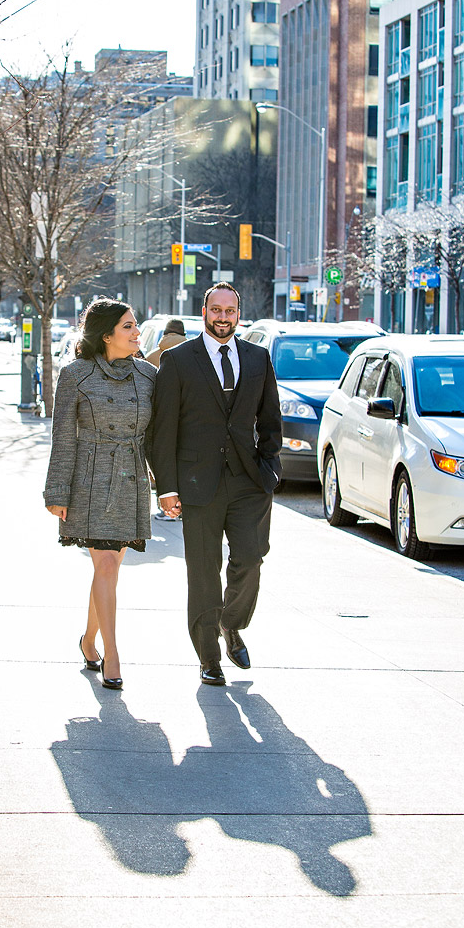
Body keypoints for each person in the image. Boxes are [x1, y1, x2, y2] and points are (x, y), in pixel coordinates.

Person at [151, 284, 282, 686]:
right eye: (216, 310)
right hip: (196, 483)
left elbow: (270, 420)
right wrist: (166, 487)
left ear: (238, 314)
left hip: (248, 481)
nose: (223, 317)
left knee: (251, 557)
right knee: (203, 572)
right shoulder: (177, 360)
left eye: (230, 311)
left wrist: (270, 469)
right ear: (204, 311)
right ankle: (209, 657)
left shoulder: (258, 358)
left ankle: (231, 622)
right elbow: (163, 429)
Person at [44, 299, 156, 690]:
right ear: (106, 335)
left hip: (130, 478)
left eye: (135, 325)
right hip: (89, 480)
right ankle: (113, 654)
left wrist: (169, 485)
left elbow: (159, 436)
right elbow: (62, 437)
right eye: (128, 326)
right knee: (106, 565)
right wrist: (57, 490)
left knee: (109, 568)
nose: (136, 332)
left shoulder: (149, 375)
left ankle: (88, 640)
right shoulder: (75, 375)